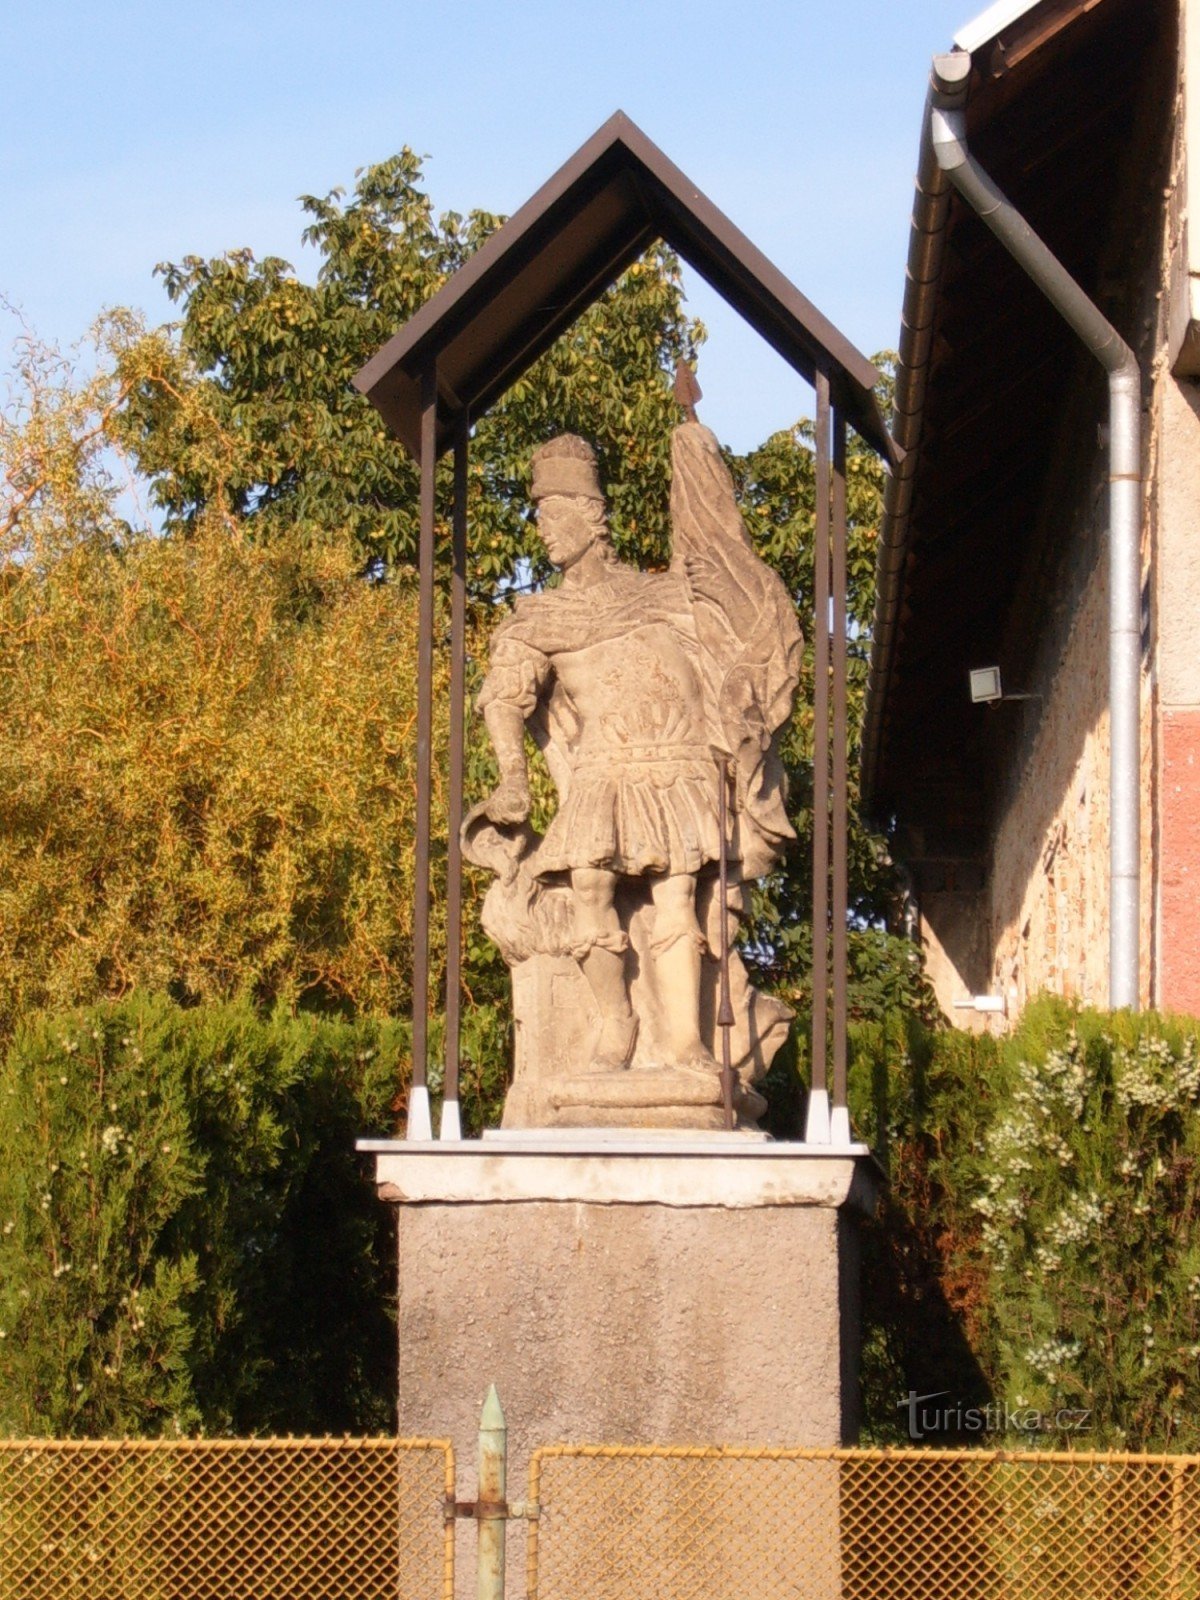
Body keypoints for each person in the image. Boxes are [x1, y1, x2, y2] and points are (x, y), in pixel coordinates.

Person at [478, 433, 724, 1074]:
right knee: (590, 882)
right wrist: (512, 776)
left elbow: (722, 651)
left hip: (675, 758)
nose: (545, 534)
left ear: (591, 516)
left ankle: (686, 1043)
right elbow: (504, 699)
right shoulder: (539, 616)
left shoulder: (661, 594)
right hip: (603, 766)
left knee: (677, 888)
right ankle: (616, 1022)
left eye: (554, 517)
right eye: (538, 521)